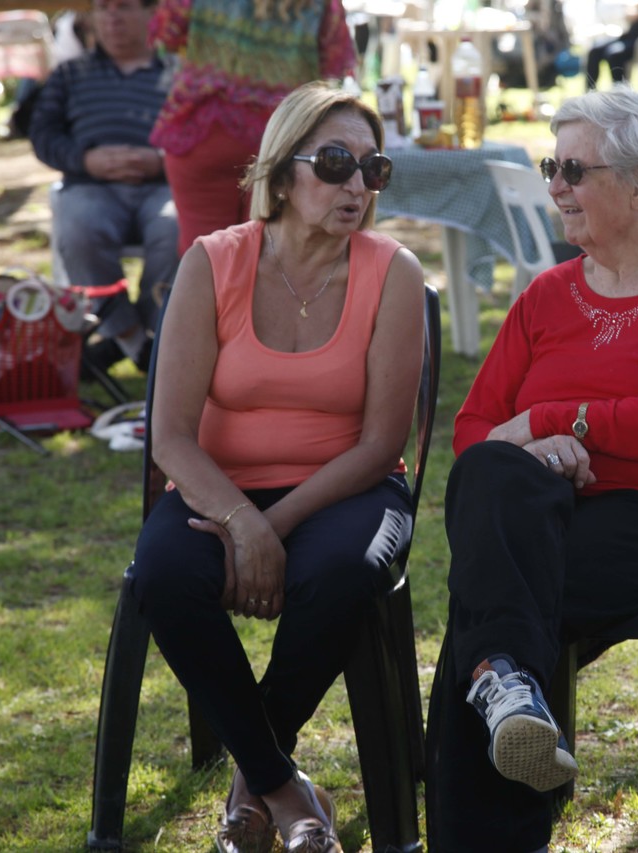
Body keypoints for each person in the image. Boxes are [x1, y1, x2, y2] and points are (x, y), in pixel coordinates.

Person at [424, 86, 638, 853]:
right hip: (561, 514)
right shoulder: (546, 295)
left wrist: (556, 420)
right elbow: (476, 433)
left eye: (574, 170)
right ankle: (508, 688)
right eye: (551, 167)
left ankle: (494, 724)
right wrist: (532, 448)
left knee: (487, 604)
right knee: (496, 509)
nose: (555, 186)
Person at [128, 81, 424, 853]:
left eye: (373, 168)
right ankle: (288, 790)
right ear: (282, 172)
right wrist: (239, 518)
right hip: (217, 484)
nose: (357, 186)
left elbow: (379, 443)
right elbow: (170, 436)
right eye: (335, 163)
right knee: (165, 575)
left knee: (341, 572)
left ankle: (249, 784)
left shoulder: (393, 272)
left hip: (351, 486)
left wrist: (270, 526)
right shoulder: (212, 262)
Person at [29, 0, 179, 372]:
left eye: (124, 7)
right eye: (103, 8)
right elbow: (43, 135)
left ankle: (139, 335)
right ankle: (135, 343)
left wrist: (162, 160)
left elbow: (203, 135)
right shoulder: (69, 74)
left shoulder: (179, 74)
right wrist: (85, 160)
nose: (112, 17)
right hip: (90, 186)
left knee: (178, 231)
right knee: (79, 230)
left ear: (150, 14)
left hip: (164, 186)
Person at [147, 0, 359, 252]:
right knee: (268, 258)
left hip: (202, 131)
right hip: (281, 139)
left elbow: (166, 33)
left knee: (204, 255)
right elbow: (334, 62)